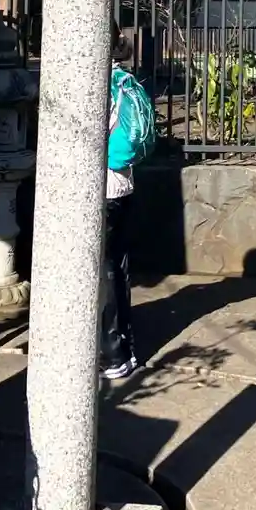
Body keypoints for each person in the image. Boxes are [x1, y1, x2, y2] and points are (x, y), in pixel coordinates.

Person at [101, 23, 154, 379]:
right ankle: (126, 348)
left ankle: (111, 353)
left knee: (102, 272)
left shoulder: (97, 84)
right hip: (123, 184)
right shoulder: (125, 80)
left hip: (101, 187)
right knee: (117, 268)